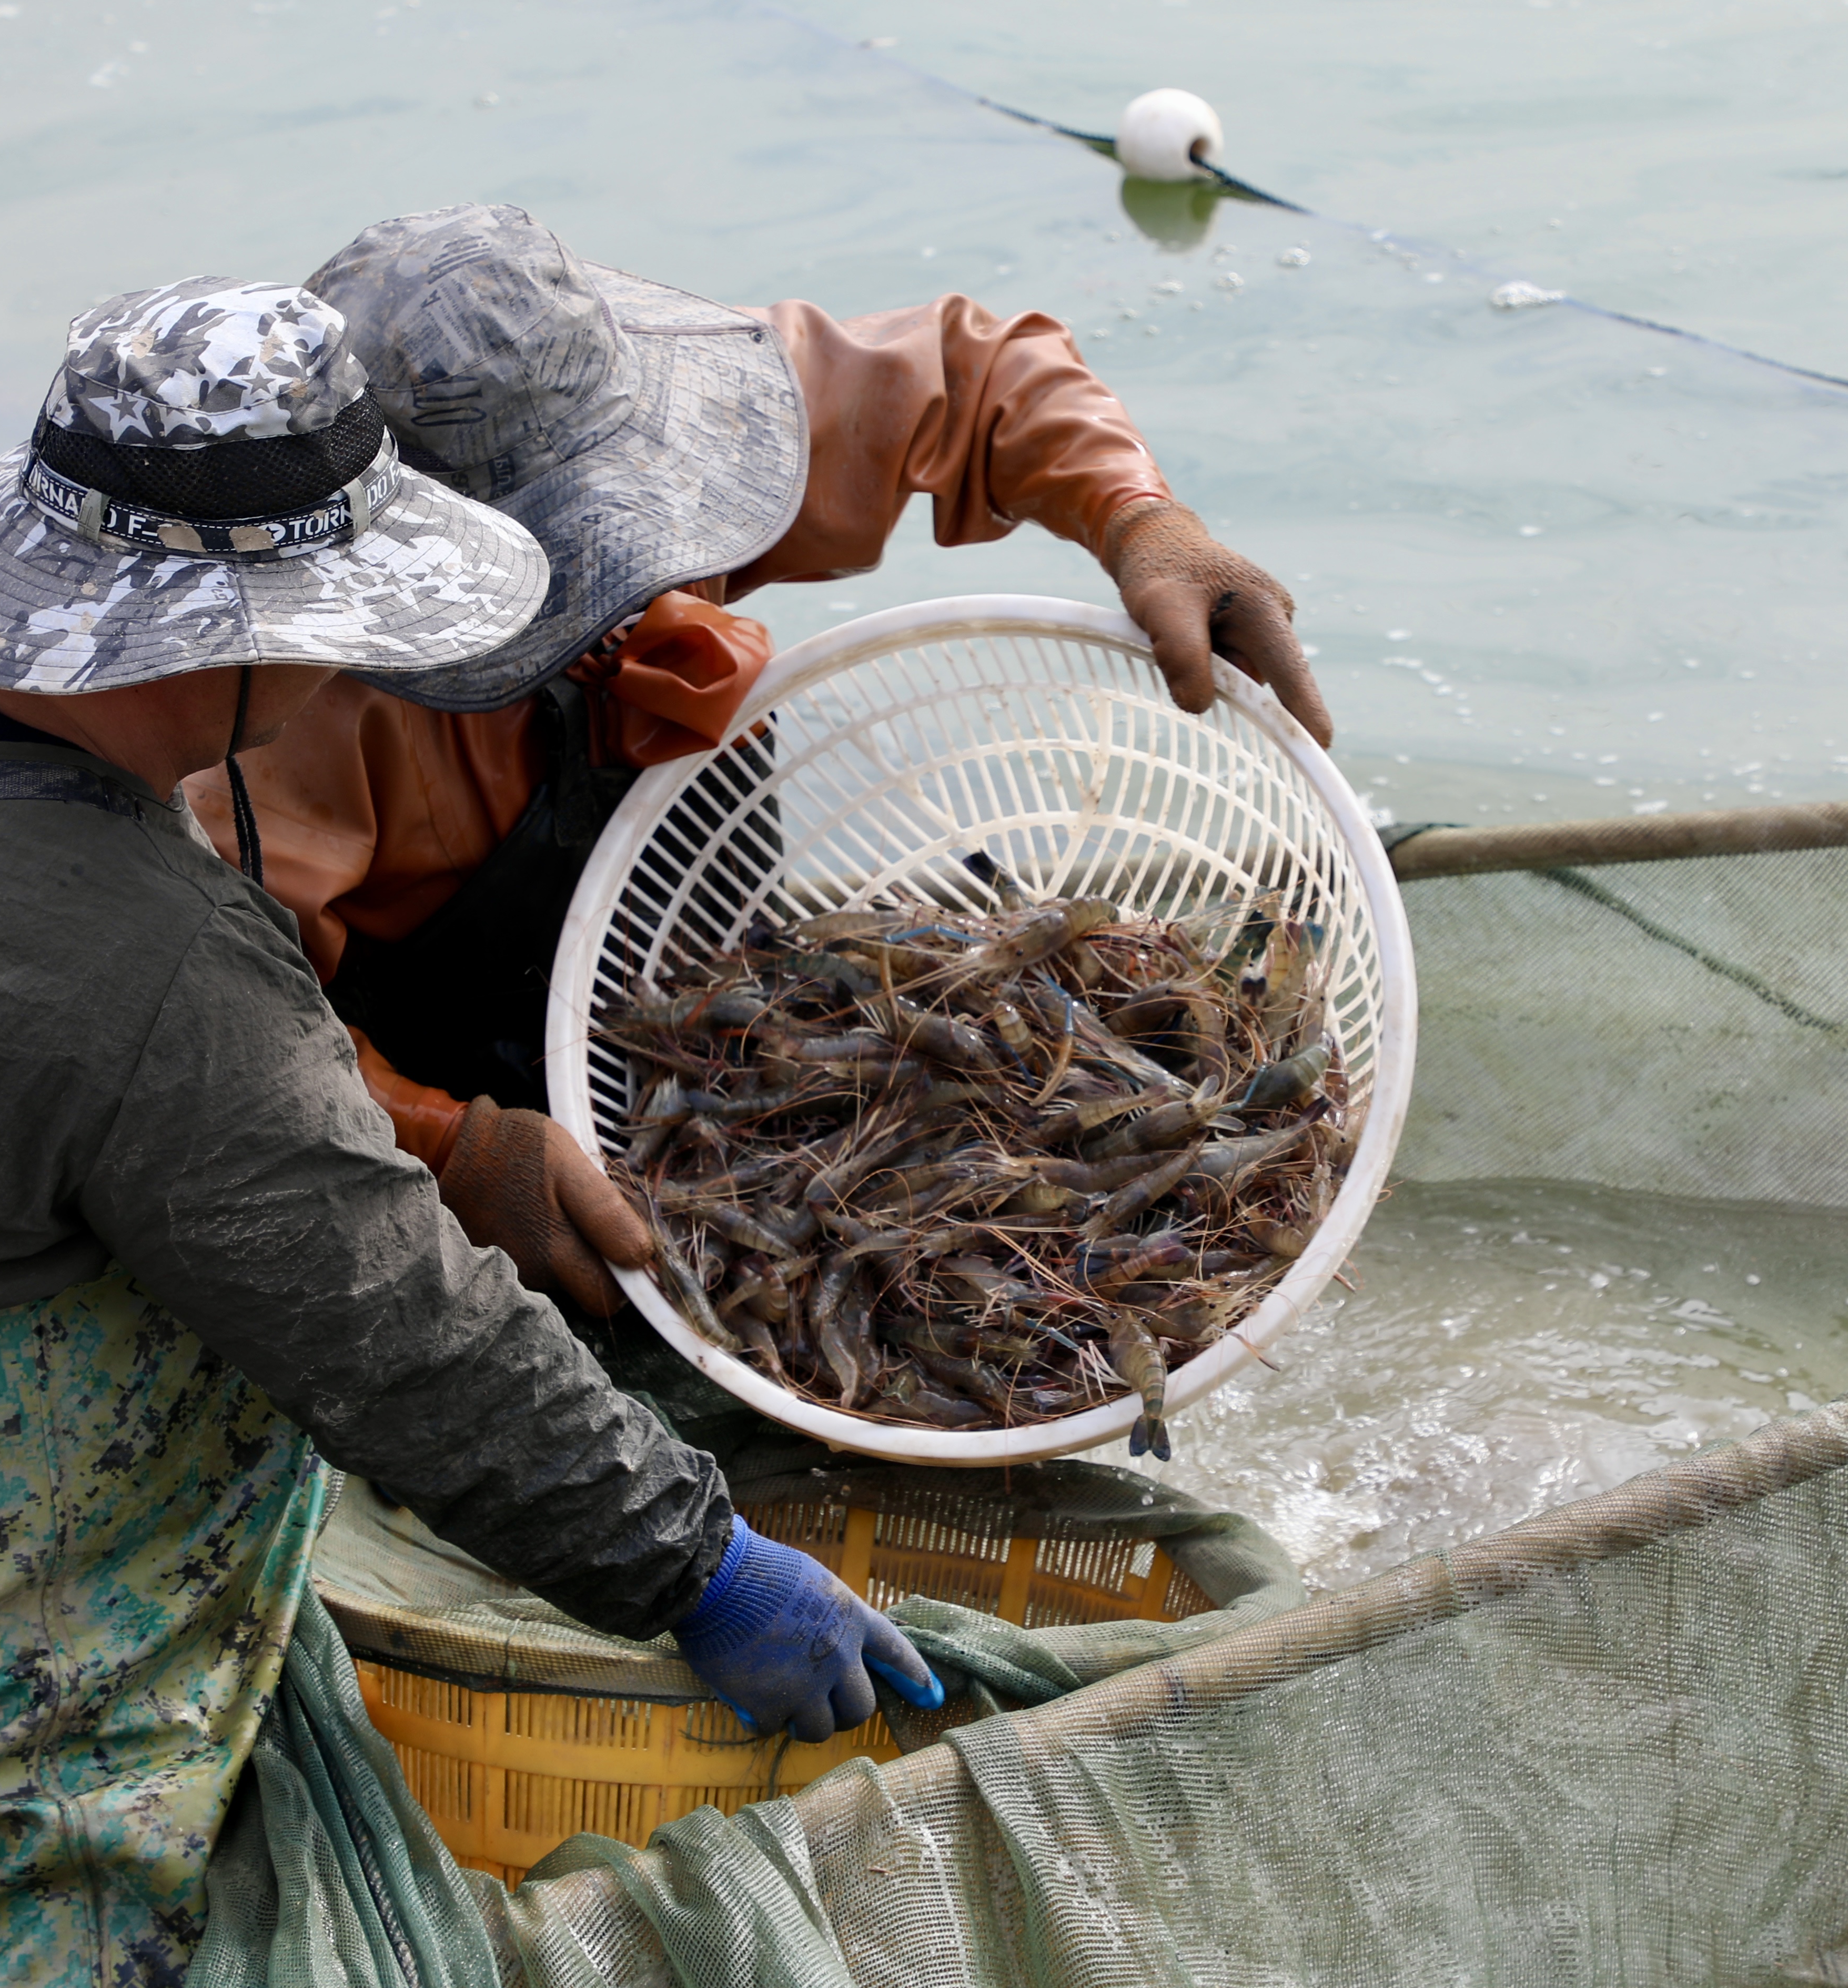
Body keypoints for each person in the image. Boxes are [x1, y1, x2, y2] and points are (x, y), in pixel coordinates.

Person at [0, 278, 936, 1985]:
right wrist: (698, 1564)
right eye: (337, 615)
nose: (355, 663)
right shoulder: (132, 957)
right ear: (217, 635)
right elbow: (410, 1344)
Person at [182, 204, 1336, 1324]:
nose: (615, 583)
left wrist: (1142, 522)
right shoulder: (279, 720)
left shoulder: (704, 425)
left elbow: (984, 375)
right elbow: (228, 1031)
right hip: (470, 1086)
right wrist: (449, 1146)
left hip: (741, 1040)